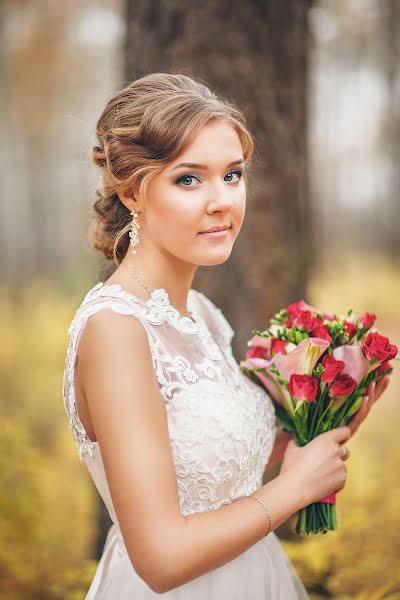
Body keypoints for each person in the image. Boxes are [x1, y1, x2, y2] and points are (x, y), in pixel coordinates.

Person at [62, 72, 386, 599]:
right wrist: (293, 490)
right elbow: (161, 559)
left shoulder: (200, 312)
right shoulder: (116, 330)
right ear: (132, 191)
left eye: (232, 175)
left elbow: (211, 472)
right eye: (189, 179)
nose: (222, 201)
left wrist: (321, 421)